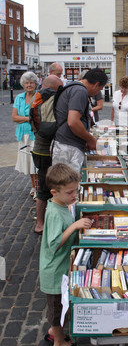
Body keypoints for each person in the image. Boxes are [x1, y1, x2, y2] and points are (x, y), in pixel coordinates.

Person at [40, 163, 92, 346]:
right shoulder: (53, 212)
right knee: (57, 309)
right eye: (70, 192)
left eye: (76, 190)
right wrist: (74, 226)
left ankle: (55, 333)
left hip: (60, 268)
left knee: (61, 305)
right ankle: (59, 344)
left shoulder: (61, 205)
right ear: (54, 192)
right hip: (54, 272)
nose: (74, 195)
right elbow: (54, 244)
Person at [52, 67, 108, 174]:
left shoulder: (73, 87)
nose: (97, 92)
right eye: (99, 89)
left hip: (65, 142)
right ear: (96, 84)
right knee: (67, 182)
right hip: (68, 145)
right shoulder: (80, 91)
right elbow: (73, 122)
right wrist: (90, 140)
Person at [30, 75, 64, 235]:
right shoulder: (53, 99)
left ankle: (41, 222)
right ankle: (41, 223)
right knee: (49, 188)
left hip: (38, 148)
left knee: (42, 187)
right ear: (55, 87)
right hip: (48, 150)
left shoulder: (36, 99)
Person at [12, 71, 39, 197]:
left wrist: (22, 118)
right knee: (28, 162)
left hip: (35, 133)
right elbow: (14, 117)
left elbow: (40, 116)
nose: (29, 85)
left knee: (36, 163)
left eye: (31, 83)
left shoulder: (39, 96)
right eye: (27, 83)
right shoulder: (19, 97)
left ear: (35, 84)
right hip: (23, 134)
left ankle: (38, 188)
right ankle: (34, 186)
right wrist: (28, 118)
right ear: (23, 84)